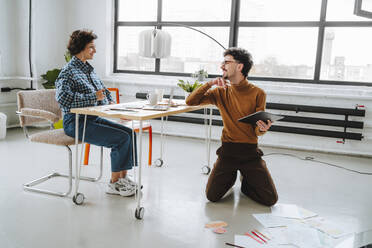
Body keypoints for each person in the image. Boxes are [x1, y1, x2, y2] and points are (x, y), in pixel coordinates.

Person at [186, 47, 278, 206]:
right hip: (228, 151)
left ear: (239, 66)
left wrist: (262, 129)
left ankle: (245, 184)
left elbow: (257, 128)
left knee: (270, 199)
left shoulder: (258, 93)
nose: (222, 66)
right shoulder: (220, 92)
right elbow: (191, 101)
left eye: (226, 62)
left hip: (250, 152)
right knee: (212, 197)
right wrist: (210, 83)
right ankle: (230, 178)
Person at [55, 29, 138, 197]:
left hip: (92, 119)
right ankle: (114, 184)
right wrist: (93, 97)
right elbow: (63, 99)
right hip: (75, 123)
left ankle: (123, 178)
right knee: (120, 139)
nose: (95, 50)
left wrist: (113, 105)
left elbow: (104, 92)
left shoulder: (88, 70)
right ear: (81, 48)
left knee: (129, 133)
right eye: (91, 47)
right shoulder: (68, 72)